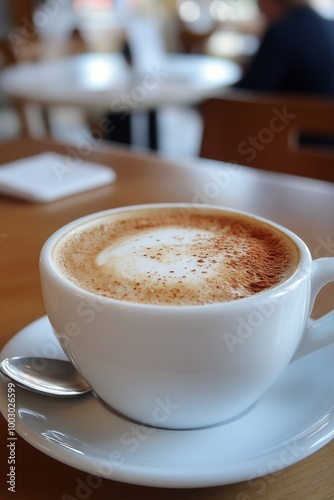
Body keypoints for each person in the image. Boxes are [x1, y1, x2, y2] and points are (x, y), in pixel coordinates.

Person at [234, 0, 334, 97]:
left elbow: (252, 89)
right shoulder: (329, 25)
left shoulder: (281, 31)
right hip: (324, 112)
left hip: (297, 112)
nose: (261, 15)